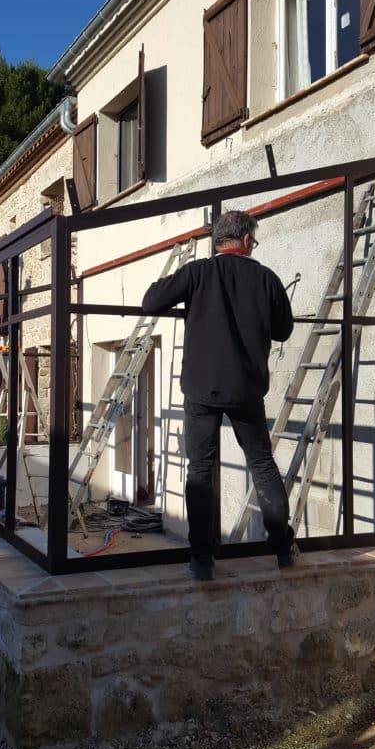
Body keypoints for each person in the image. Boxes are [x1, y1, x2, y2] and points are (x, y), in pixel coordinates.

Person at [141, 208, 303, 580]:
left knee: (200, 469)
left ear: (219, 241)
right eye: (255, 240)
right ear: (246, 240)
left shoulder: (198, 272)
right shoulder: (266, 278)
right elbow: (283, 330)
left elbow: (151, 301)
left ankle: (201, 560)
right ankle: (283, 549)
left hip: (201, 388)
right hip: (247, 389)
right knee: (262, 466)